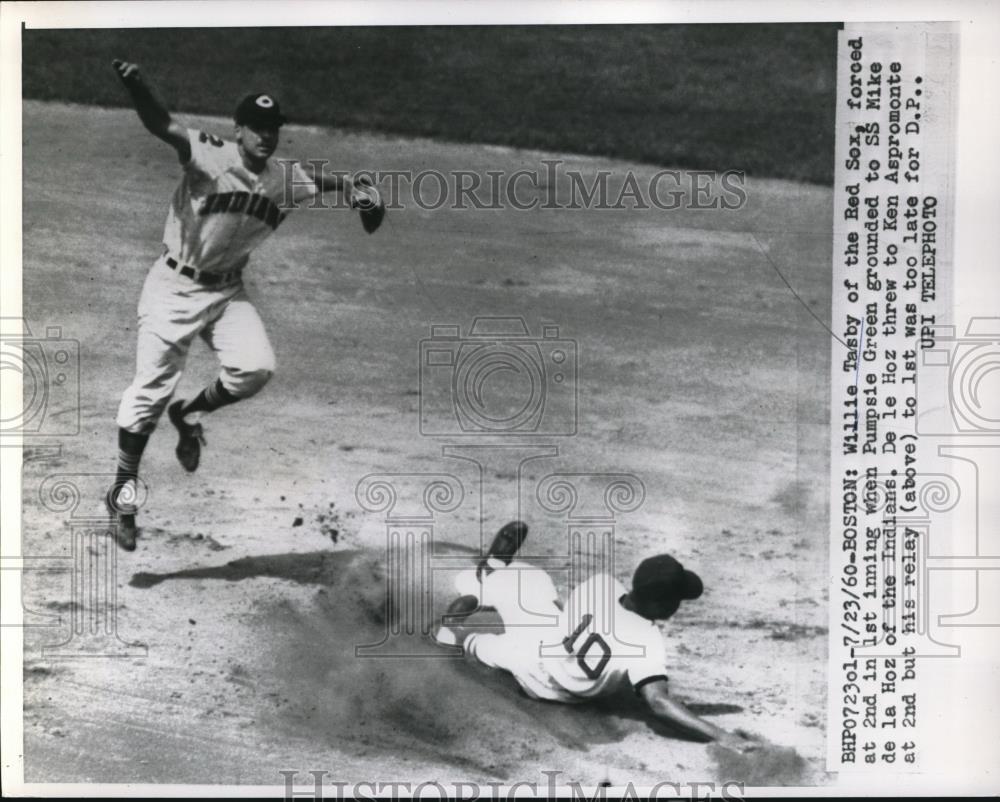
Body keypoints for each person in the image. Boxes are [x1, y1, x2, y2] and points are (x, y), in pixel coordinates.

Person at [105, 59, 384, 550]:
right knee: (147, 395)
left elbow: (323, 180)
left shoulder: (283, 178)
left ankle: (187, 415)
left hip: (227, 291)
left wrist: (360, 191)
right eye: (256, 128)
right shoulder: (210, 156)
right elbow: (161, 125)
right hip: (174, 288)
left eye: (273, 129)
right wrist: (138, 86)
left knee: (255, 369)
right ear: (239, 130)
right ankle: (123, 499)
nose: (266, 136)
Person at [437, 521, 758, 751]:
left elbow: (569, 616)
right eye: (677, 600)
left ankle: (487, 578)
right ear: (660, 604)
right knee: (482, 645)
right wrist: (721, 735)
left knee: (533, 584)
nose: (679, 605)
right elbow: (658, 702)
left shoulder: (603, 584)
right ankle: (454, 634)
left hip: (545, 644)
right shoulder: (646, 642)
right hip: (543, 683)